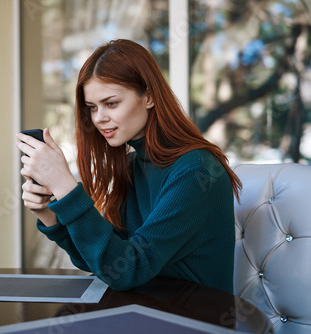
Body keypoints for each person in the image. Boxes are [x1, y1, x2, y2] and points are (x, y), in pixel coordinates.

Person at [16, 39, 242, 293]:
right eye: (92, 107)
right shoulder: (134, 164)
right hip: (144, 310)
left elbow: (128, 270)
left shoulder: (196, 170)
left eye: (111, 103)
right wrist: (50, 215)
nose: (99, 118)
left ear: (149, 97)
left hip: (195, 319)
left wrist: (65, 187)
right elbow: (106, 262)